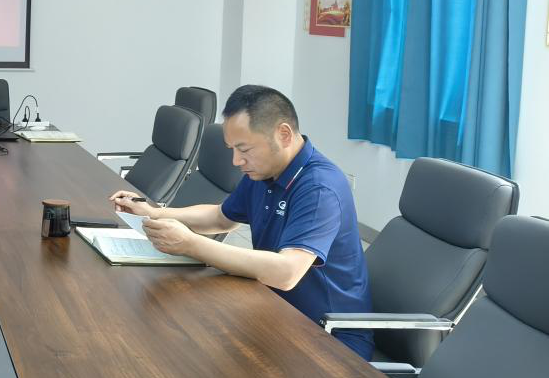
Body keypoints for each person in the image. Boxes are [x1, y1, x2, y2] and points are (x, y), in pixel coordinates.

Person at [110, 84, 373, 360]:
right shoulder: (264, 170)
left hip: (328, 340)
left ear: (283, 135)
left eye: (244, 149)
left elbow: (287, 273)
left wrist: (190, 244)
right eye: (232, 149)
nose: (236, 160)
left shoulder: (319, 188)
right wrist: (154, 213)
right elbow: (220, 217)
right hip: (273, 310)